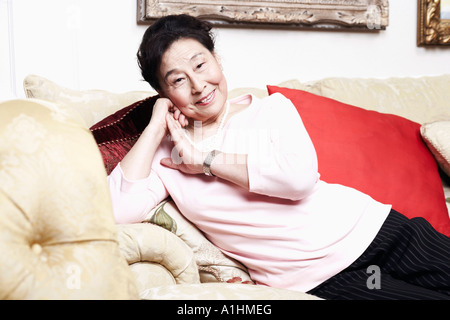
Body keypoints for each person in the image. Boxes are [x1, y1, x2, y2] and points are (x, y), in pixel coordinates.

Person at [108, 14, 450, 300]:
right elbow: (117, 212)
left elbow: (298, 179)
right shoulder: (167, 157)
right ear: (163, 94)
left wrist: (206, 162)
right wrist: (155, 127)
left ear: (217, 60)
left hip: (378, 230)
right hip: (321, 277)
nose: (199, 85)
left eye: (201, 64)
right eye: (178, 80)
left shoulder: (270, 111)